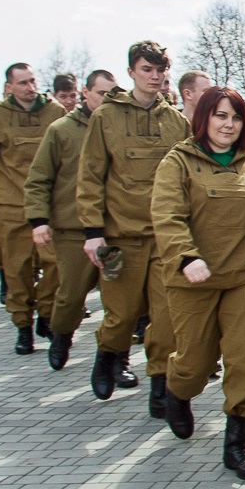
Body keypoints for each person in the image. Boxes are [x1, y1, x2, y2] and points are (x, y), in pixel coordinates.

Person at [152, 87, 245, 480]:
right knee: (195, 362)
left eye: (236, 118)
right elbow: (167, 216)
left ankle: (237, 442)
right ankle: (178, 392)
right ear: (204, 119)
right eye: (220, 116)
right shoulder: (178, 162)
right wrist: (186, 257)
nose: (228, 125)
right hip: (193, 280)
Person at [78, 40, 190, 414]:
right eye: (147, 69)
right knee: (121, 313)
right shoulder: (106, 117)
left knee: (166, 318)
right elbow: (91, 175)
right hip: (119, 237)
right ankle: (108, 352)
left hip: (165, 239)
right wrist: (93, 233)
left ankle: (161, 383)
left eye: (161, 70)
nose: (155, 77)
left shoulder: (176, 121)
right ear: (131, 72)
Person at [0, 63, 67, 354]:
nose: (29, 87)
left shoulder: (55, 112)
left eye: (32, 81)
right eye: (22, 83)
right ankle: (23, 326)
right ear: (9, 87)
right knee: (17, 269)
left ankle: (46, 314)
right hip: (11, 204)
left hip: (49, 205)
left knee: (56, 265)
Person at [26, 71, 113, 371]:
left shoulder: (118, 127)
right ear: (86, 93)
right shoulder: (61, 130)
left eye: (112, 94)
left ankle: (115, 358)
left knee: (119, 301)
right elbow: (39, 178)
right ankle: (61, 334)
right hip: (73, 228)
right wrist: (39, 220)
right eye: (102, 93)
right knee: (72, 295)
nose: (107, 100)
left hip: (115, 229)